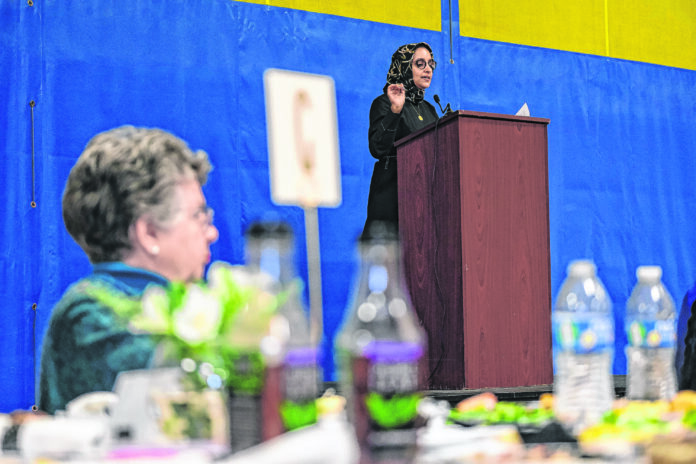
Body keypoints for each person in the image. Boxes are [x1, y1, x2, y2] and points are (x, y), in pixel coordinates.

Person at [38, 126, 219, 414]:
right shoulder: (88, 314)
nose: (212, 233)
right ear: (149, 233)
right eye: (199, 216)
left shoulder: (175, 302)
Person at [364, 42, 439, 234]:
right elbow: (377, 148)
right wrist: (395, 110)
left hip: (423, 199)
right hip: (392, 199)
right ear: (404, 66)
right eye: (420, 64)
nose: (428, 69)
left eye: (431, 64)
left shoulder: (430, 109)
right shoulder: (384, 103)